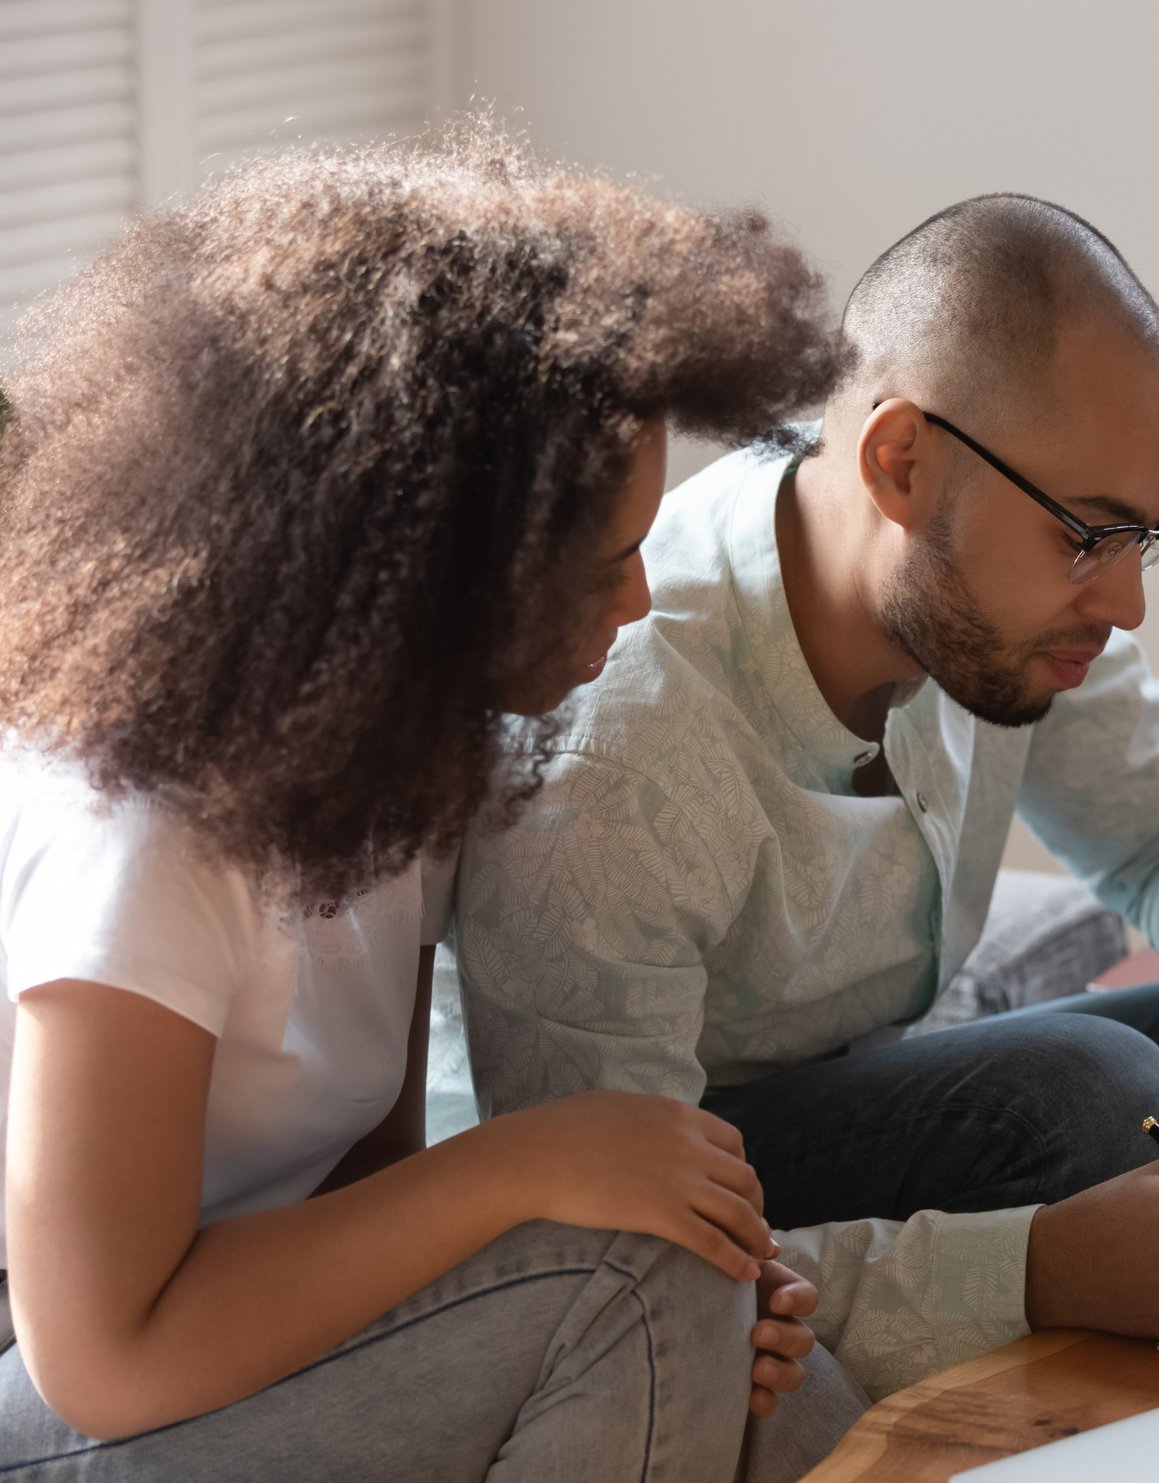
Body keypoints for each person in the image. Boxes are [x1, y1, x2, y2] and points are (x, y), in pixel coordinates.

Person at [455, 193, 1159, 1405]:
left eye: (1150, 532)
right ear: (902, 464)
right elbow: (611, 1274)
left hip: (835, 1113)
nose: (1126, 603)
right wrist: (1040, 1271)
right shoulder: (616, 768)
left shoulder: (988, 612)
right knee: (1094, 1100)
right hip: (657, 1186)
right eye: (1090, 534)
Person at [0, 126, 858, 1479]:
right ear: (431, 565)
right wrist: (522, 1166)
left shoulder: (385, 762)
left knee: (764, 1371)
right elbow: (101, 1357)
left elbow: (362, 1196)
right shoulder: (142, 836)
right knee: (642, 1287)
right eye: (605, 562)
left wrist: (645, 1278)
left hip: (245, 1367)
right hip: (67, 1407)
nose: (637, 604)